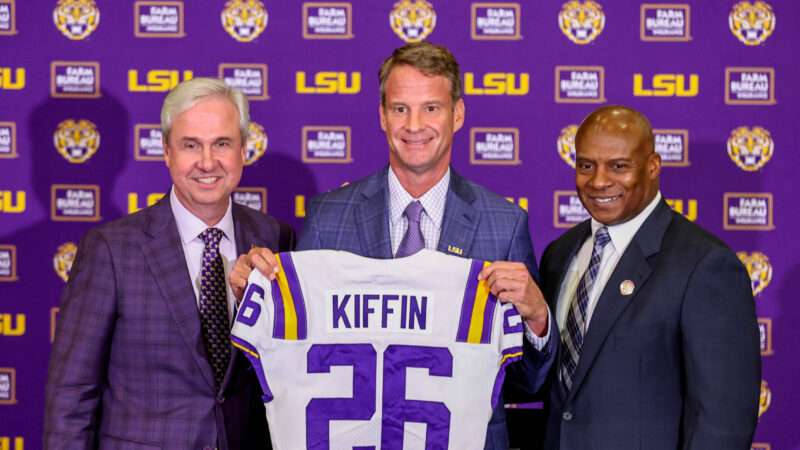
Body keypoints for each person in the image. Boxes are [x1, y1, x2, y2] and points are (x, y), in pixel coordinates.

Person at [229, 42, 555, 449]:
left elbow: (527, 384)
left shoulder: (503, 224)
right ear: (382, 116)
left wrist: (537, 317)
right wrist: (255, 297)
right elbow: (290, 360)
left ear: (458, 114)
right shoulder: (329, 216)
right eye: (400, 108)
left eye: (431, 108)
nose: (414, 125)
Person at [44, 78, 294, 450]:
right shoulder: (111, 249)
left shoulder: (275, 239)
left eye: (222, 144)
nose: (207, 162)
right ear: (166, 152)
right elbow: (72, 394)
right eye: (190, 145)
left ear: (244, 150)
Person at [538, 105, 760, 450]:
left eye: (619, 166)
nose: (598, 181)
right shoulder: (560, 254)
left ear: (653, 166)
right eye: (586, 165)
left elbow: (722, 421)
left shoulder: (705, 266)